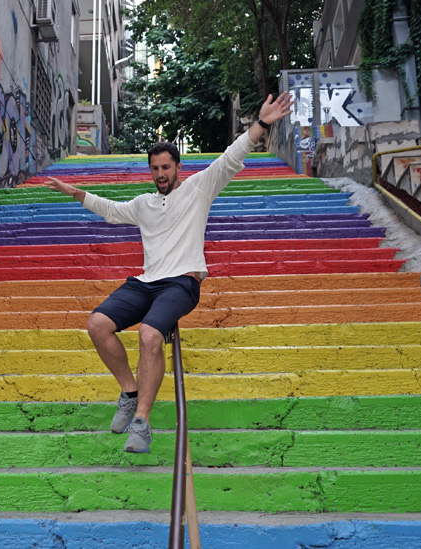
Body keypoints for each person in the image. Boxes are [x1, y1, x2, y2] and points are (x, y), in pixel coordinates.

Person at [46, 92, 294, 453]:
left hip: (181, 283)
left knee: (149, 335)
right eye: (155, 169)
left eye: (166, 167)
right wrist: (75, 191)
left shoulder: (198, 189)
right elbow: (111, 210)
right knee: (97, 324)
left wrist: (261, 124)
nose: (160, 174)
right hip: (147, 282)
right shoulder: (145, 204)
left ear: (178, 167)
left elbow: (231, 157)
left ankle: (142, 423)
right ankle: (130, 392)